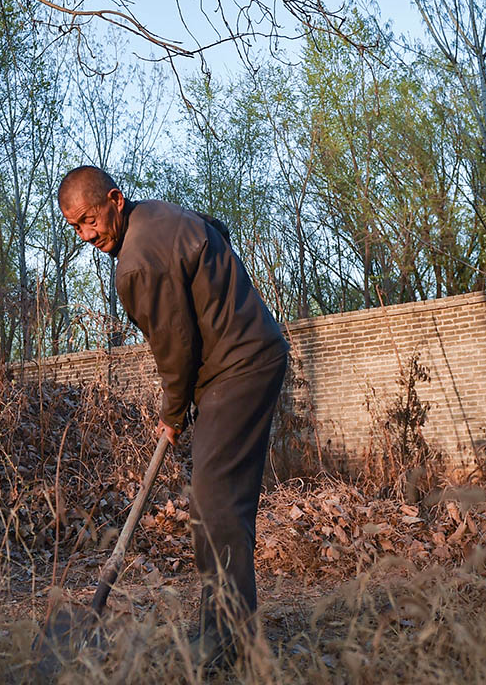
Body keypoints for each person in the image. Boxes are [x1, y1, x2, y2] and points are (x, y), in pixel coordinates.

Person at [57, 165, 289, 667]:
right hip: (243, 361)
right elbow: (215, 228)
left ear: (115, 200)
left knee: (215, 499)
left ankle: (226, 639)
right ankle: (224, 626)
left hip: (240, 366)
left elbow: (175, 348)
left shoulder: (136, 262)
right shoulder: (158, 218)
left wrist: (172, 412)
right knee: (218, 501)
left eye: (90, 220)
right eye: (75, 227)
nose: (87, 236)